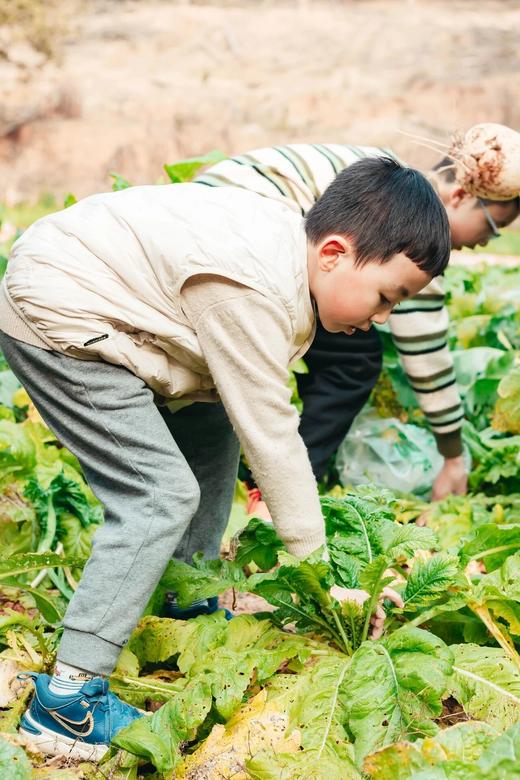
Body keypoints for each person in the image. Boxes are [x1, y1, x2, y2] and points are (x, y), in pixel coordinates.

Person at [0, 157, 449, 759]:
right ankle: (67, 701)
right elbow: (273, 433)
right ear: (335, 253)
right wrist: (322, 575)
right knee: (158, 495)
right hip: (59, 308)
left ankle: (187, 601)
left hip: (104, 298)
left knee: (214, 427)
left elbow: (246, 416)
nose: (383, 317)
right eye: (386, 296)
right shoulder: (252, 287)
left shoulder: (290, 267)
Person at [196, 144, 520, 512]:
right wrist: (453, 457)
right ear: (460, 195)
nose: (482, 244)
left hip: (209, 211)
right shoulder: (411, 233)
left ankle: (265, 481)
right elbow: (426, 358)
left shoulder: (390, 173)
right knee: (351, 362)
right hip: (237, 238)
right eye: (492, 228)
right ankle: (275, 495)